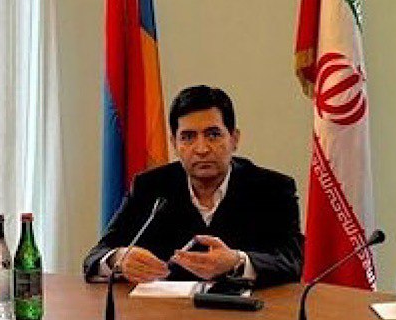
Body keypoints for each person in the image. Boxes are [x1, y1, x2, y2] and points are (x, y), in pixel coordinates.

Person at [82, 85, 304, 287]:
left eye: (213, 135)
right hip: (165, 313)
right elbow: (96, 256)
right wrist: (119, 258)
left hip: (246, 313)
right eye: (188, 137)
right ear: (174, 143)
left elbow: (293, 261)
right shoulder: (150, 187)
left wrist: (237, 261)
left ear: (234, 139)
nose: (201, 149)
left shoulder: (273, 189)